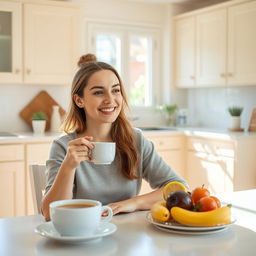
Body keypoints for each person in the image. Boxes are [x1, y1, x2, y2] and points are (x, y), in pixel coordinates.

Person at [41, 53, 188, 221]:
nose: (110, 100)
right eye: (98, 92)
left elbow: (180, 189)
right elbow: (49, 215)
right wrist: (68, 166)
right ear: (79, 100)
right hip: (80, 235)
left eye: (116, 90)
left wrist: (133, 203)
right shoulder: (64, 146)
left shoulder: (136, 140)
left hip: (124, 236)